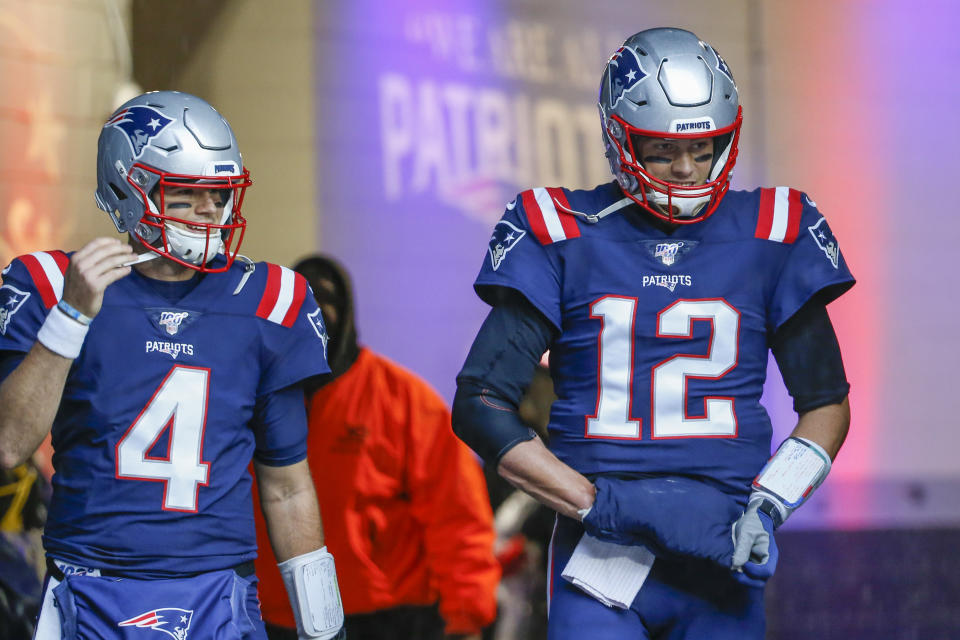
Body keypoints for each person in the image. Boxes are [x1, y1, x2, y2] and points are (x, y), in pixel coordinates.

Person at [452, 27, 854, 639]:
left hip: (723, 545)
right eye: (662, 150)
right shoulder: (564, 230)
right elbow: (481, 403)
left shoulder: (775, 230)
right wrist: (606, 505)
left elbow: (826, 402)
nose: (688, 169)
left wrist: (769, 503)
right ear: (619, 137)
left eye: (706, 147)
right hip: (600, 554)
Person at [0, 91, 344, 640]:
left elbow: (287, 485)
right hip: (91, 590)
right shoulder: (52, 285)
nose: (211, 211)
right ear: (128, 190)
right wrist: (70, 316)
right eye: (189, 194)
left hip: (218, 594)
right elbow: (9, 443)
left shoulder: (270, 300)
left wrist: (323, 627)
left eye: (220, 194)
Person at [253, 254, 500, 640]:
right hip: (277, 618)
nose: (316, 313)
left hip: (388, 618)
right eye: (304, 301)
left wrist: (467, 615)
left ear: (346, 311)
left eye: (327, 299)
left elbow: (458, 517)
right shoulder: (256, 398)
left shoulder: (404, 401)